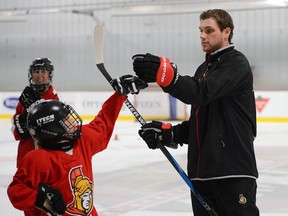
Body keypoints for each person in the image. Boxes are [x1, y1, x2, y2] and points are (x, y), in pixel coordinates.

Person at [132, 9, 259, 216]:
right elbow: (200, 122)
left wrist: (168, 77)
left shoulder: (236, 63)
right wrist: (168, 134)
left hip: (232, 174)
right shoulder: (204, 69)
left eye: (209, 30)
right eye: (200, 30)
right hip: (202, 176)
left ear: (227, 32)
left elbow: (200, 92)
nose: (202, 35)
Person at [7, 74, 148, 216]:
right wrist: (40, 198)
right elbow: (15, 190)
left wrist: (119, 95)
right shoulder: (38, 159)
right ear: (53, 129)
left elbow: (103, 123)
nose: (73, 122)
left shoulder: (82, 140)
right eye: (67, 120)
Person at [12, 58, 59, 169]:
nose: (39, 75)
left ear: (50, 74)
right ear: (31, 75)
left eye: (43, 71)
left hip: (48, 159)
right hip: (26, 158)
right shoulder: (24, 100)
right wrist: (23, 124)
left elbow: (61, 134)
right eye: (35, 71)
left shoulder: (57, 100)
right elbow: (16, 134)